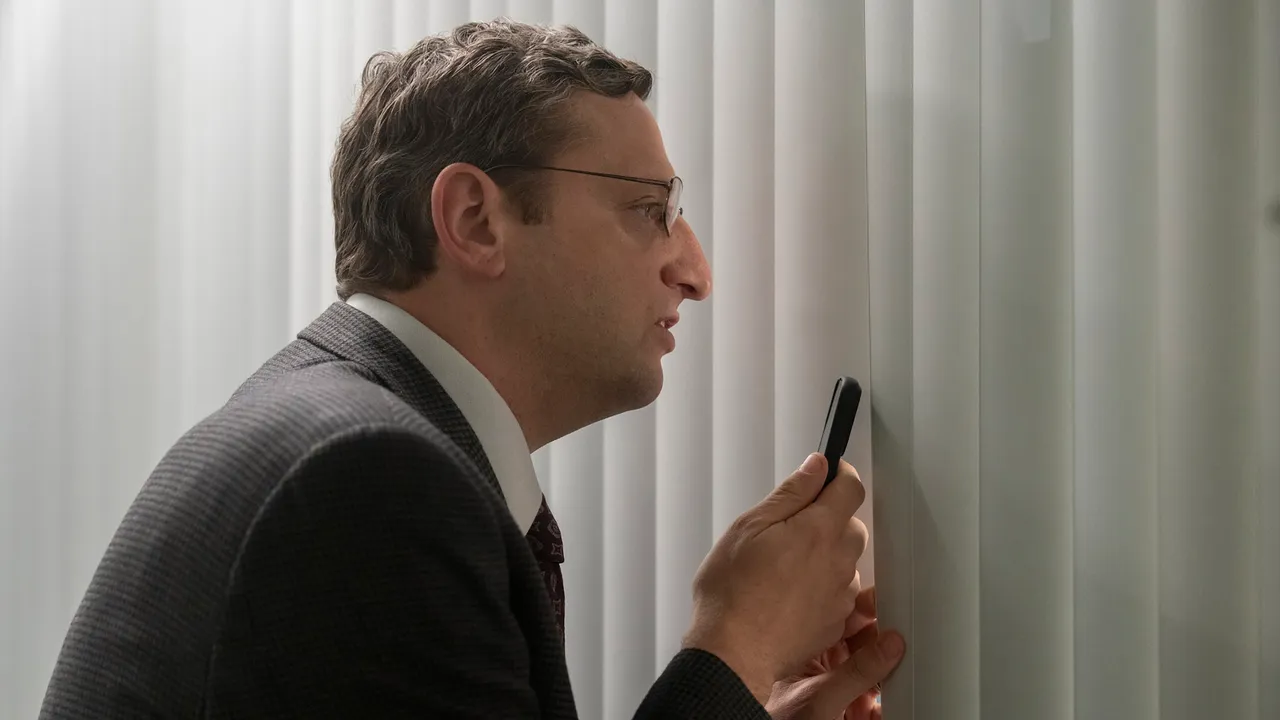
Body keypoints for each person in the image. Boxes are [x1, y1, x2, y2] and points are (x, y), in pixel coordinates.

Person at [39, 19, 904, 719]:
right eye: (649, 210)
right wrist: (738, 643)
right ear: (474, 220)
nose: (696, 272)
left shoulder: (334, 435)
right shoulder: (369, 482)